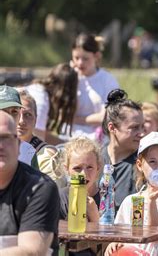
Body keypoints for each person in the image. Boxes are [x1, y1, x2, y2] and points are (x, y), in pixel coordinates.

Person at [105, 132, 158, 256]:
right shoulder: (132, 201)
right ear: (140, 165)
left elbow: (156, 235)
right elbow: (120, 235)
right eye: (152, 161)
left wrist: (151, 201)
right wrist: (114, 243)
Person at [0, 111, 60, 255]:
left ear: (18, 144)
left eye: (6, 137)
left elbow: (32, 252)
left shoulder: (40, 188)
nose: (0, 146)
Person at [70, 33, 120, 141]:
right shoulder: (69, 78)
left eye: (85, 58)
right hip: (71, 138)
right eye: (76, 58)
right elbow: (64, 113)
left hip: (100, 139)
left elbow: (107, 116)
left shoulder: (108, 80)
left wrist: (77, 120)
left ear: (96, 56)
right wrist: (71, 80)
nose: (80, 63)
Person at [101, 89, 145, 211]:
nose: (141, 133)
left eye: (142, 127)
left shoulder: (145, 164)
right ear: (112, 127)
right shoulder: (93, 160)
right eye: (135, 128)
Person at [16, 89, 66, 186]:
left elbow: (52, 195)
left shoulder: (47, 156)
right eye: (15, 113)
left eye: (27, 115)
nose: (21, 121)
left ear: (35, 120)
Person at [25, 62, 78, 143]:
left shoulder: (37, 90)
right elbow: (36, 145)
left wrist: (67, 145)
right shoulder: (40, 102)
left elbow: (41, 135)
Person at [59, 137, 101, 222]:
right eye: (77, 168)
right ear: (67, 169)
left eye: (89, 167)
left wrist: (94, 216)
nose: (84, 174)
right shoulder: (59, 198)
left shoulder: (106, 199)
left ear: (98, 168)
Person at [0, 85, 36, 165]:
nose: (9, 117)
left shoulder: (28, 152)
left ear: (19, 115)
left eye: (14, 112)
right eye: (3, 111)